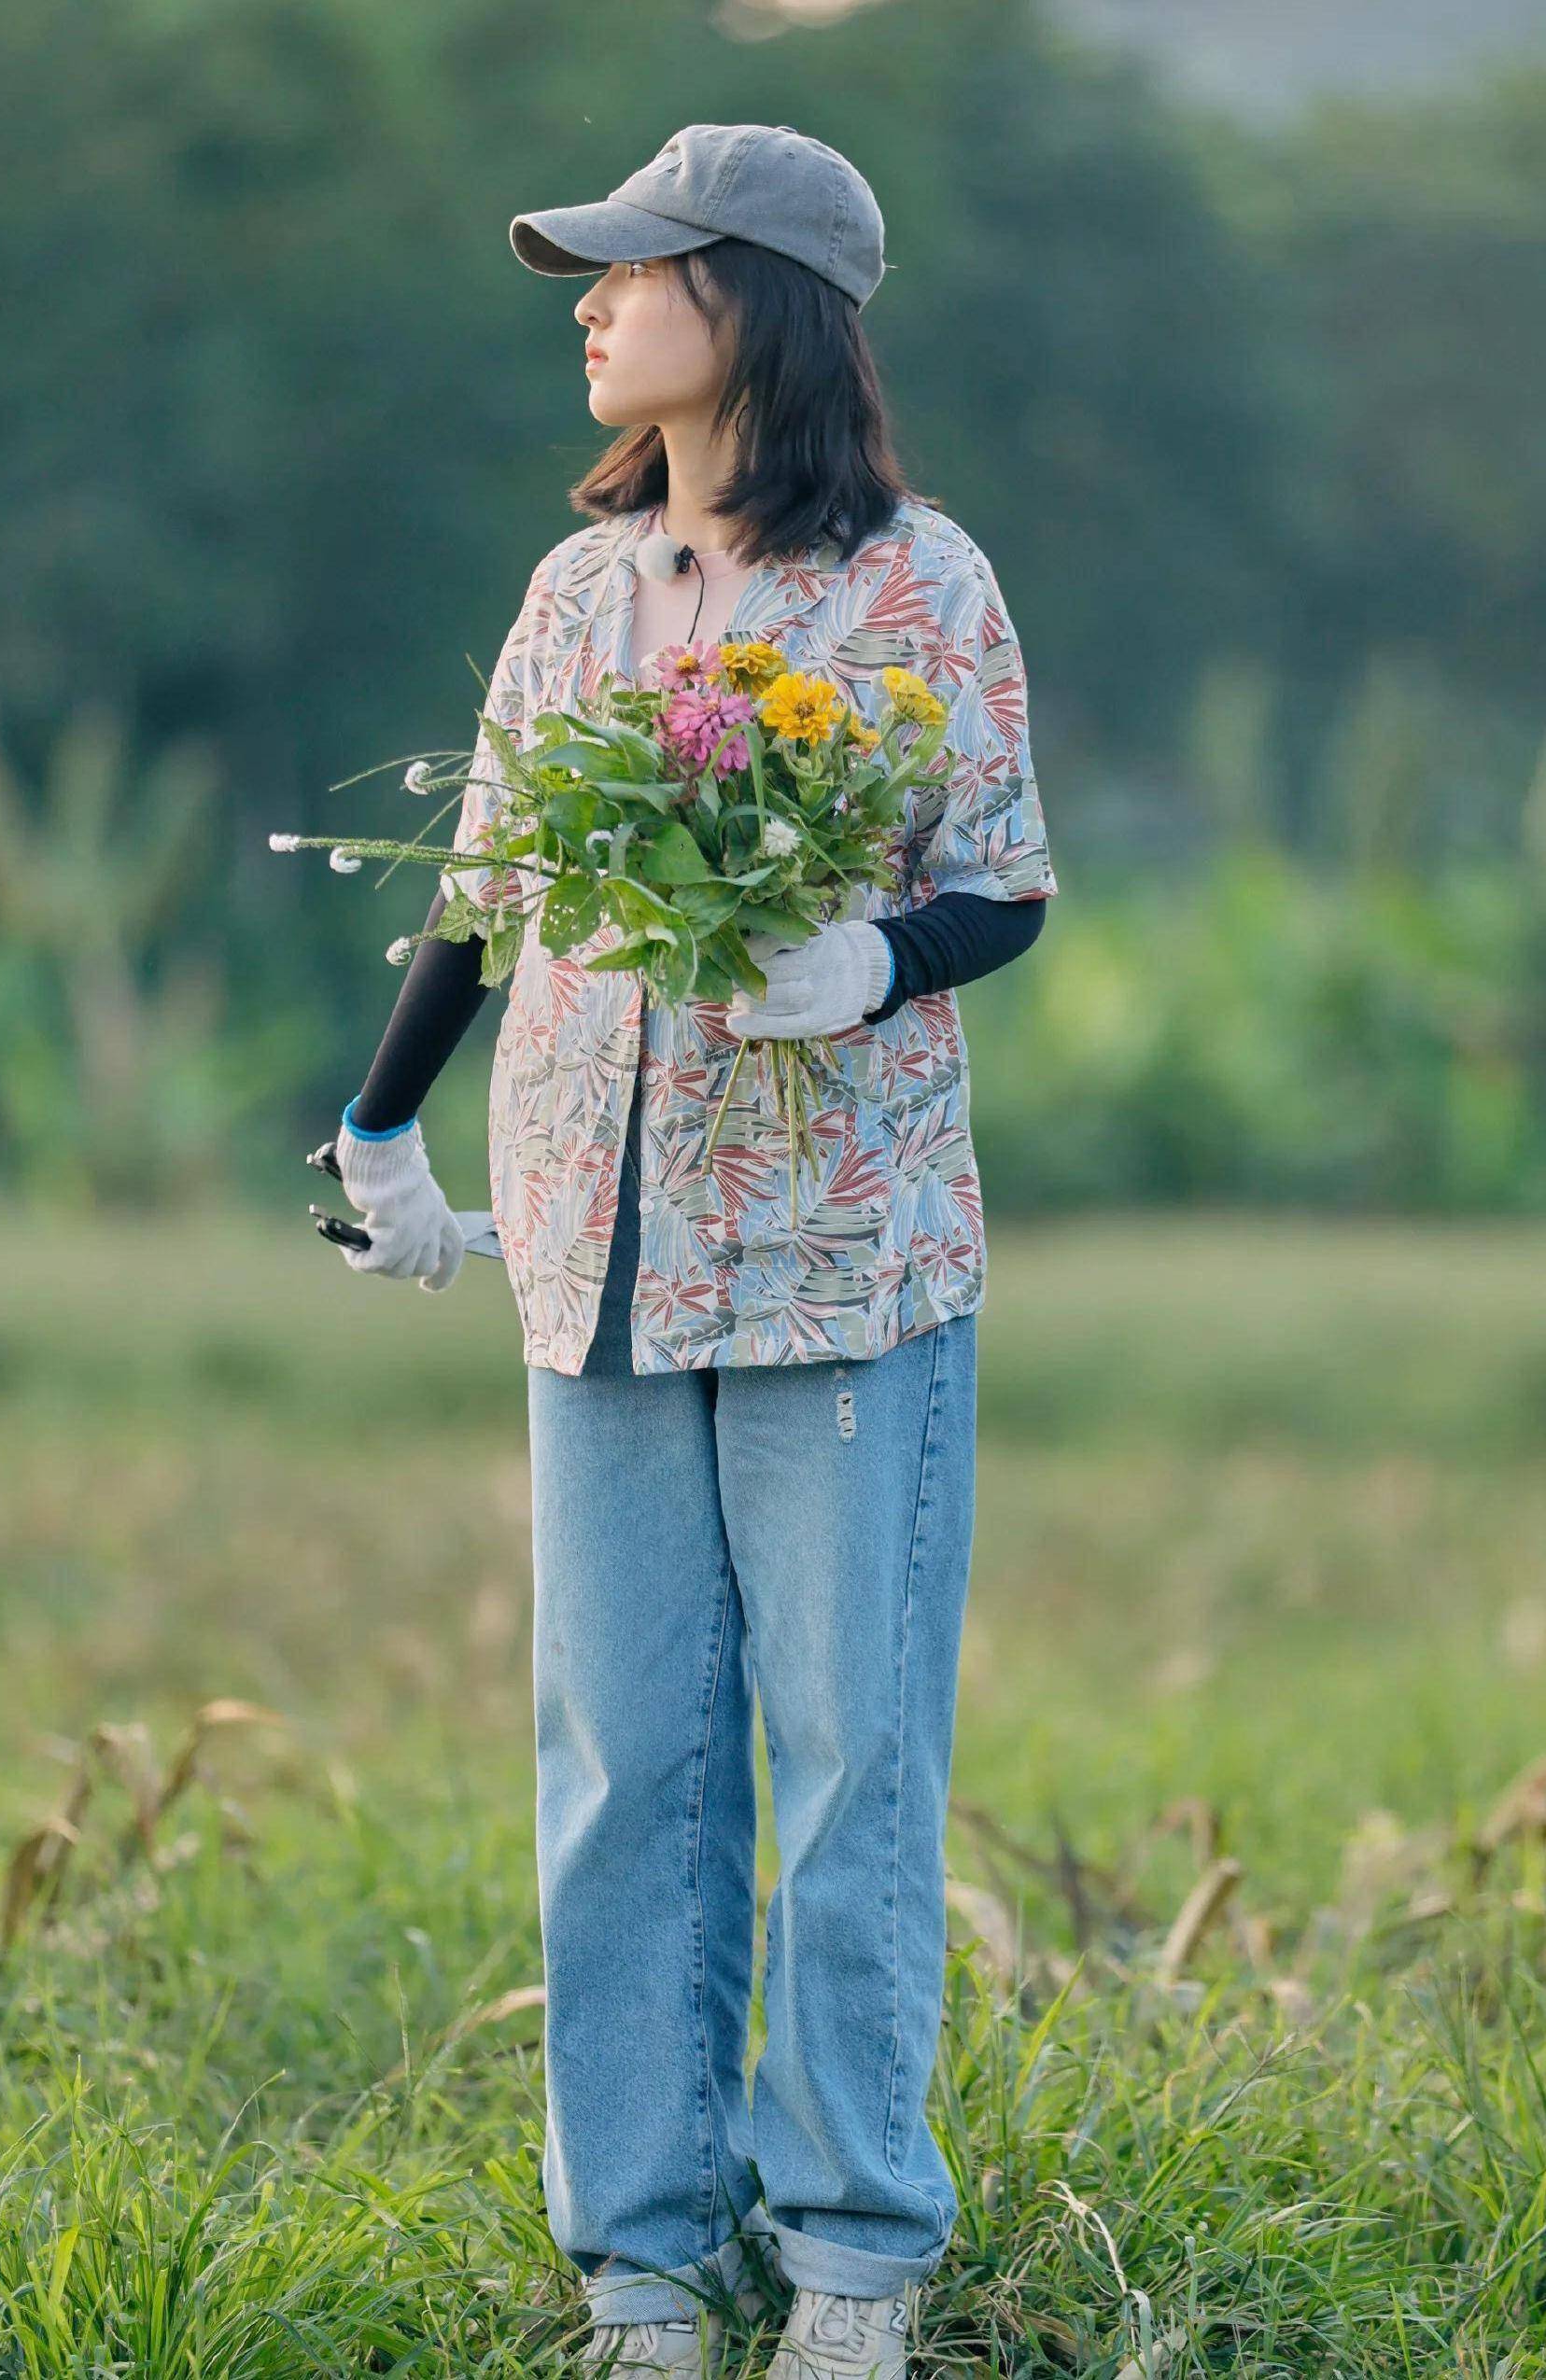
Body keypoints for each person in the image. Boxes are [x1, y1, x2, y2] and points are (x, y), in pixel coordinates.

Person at [327, 123, 1058, 2379]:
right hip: (593, 1236)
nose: (589, 302)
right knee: (625, 1761)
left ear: (749, 301)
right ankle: (644, 2262)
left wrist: (872, 962)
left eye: (631, 271)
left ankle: (852, 2253)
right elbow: (483, 888)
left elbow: (1007, 881)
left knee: (847, 1757)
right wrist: (378, 1127)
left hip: (841, 1247)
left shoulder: (922, 583)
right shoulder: (577, 598)